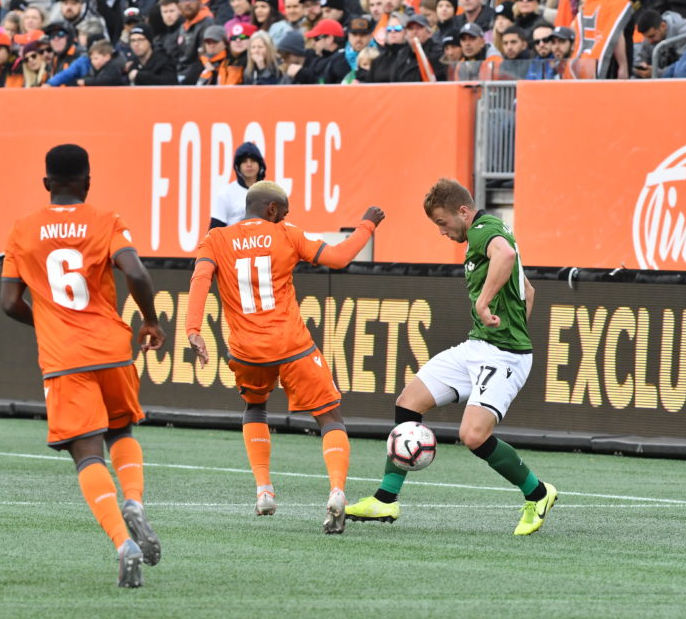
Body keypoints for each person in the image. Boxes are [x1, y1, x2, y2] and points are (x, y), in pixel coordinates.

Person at [345, 178, 557, 537]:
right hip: (478, 347)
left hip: (504, 356)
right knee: (408, 403)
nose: (441, 232)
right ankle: (386, 499)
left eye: (442, 223)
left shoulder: (482, 230)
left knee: (473, 436)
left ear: (463, 212)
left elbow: (504, 255)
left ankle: (537, 494)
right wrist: (507, 321)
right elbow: (529, 291)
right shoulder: (486, 233)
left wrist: (483, 303)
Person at [0, 144, 165, 588]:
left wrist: (49, 319)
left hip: (64, 358)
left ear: (46, 184)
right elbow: (139, 275)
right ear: (87, 182)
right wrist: (148, 321)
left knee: (86, 454)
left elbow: (9, 302)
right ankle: (135, 501)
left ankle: (121, 542)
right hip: (112, 348)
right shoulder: (106, 220)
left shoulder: (22, 230)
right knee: (122, 432)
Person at [185, 181, 385, 534]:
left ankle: (264, 490)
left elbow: (200, 278)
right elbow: (339, 258)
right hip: (293, 346)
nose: (286, 218)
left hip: (247, 351)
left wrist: (193, 329)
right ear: (273, 210)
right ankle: (337, 490)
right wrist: (367, 224)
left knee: (255, 408)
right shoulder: (286, 233)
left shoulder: (214, 239)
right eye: (285, 212)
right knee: (330, 417)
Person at [210, 141, 266, 228]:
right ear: (237, 166)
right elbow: (213, 233)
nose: (249, 165)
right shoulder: (226, 194)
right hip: (233, 241)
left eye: (253, 160)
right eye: (244, 161)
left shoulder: (269, 193)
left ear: (260, 165)